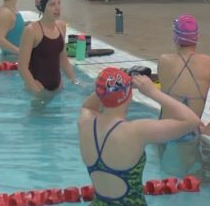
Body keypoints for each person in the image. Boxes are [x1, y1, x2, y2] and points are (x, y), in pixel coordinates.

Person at [78, 67, 200, 205]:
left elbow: (88, 106)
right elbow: (192, 121)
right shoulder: (136, 131)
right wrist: (152, 92)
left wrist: (106, 85)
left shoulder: (86, 121)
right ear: (129, 95)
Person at [157, 14, 210, 177]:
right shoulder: (209, 63)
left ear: (175, 37)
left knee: (166, 176)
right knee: (191, 179)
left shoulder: (164, 60)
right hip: (190, 133)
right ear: (197, 39)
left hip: (163, 130)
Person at [18, 0, 77, 92]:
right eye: (52, 4)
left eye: (59, 3)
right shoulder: (31, 30)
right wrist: (35, 90)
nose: (57, 8)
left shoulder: (61, 26)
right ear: (42, 8)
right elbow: (22, 67)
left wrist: (74, 81)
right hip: (37, 88)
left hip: (58, 86)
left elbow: (63, 60)